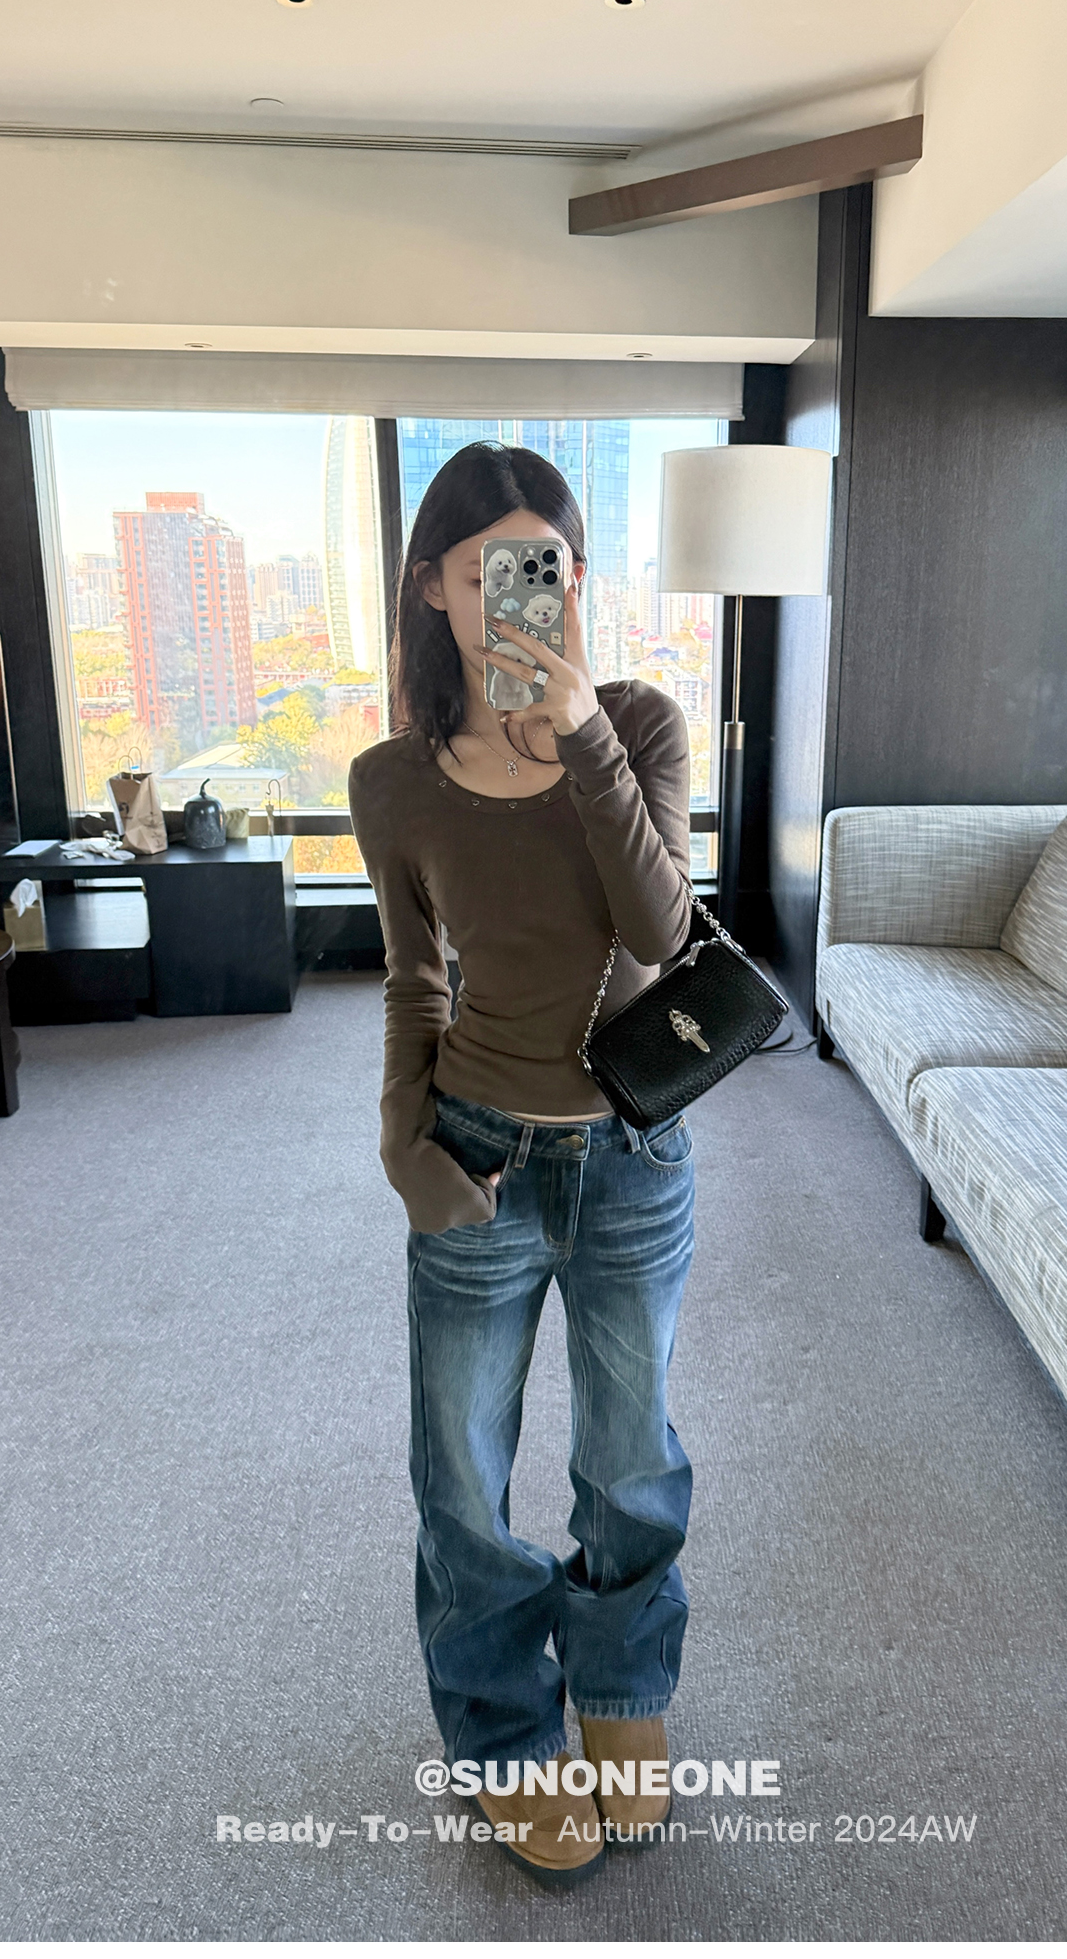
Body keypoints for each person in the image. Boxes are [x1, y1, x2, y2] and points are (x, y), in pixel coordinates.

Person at [348, 442, 697, 1888]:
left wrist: (582, 738)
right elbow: (411, 980)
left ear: (576, 577)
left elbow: (662, 932)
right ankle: (501, 1729)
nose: (517, 590)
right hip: (478, 1155)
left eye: (543, 562)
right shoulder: (392, 781)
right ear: (434, 586)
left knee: (631, 1458)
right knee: (462, 1475)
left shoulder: (641, 725)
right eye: (487, 566)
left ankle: (617, 1688)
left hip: (632, 1151)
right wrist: (406, 1149)